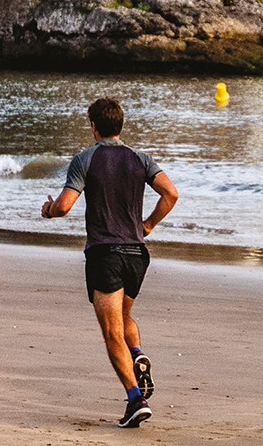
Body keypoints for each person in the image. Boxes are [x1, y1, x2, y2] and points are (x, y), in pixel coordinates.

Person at [41, 97, 179, 428]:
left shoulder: (85, 160)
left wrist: (48, 210)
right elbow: (171, 194)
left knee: (110, 330)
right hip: (137, 254)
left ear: (93, 126)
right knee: (125, 317)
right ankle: (137, 354)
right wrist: (147, 226)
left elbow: (63, 207)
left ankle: (135, 399)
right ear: (120, 125)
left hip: (106, 254)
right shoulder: (140, 158)